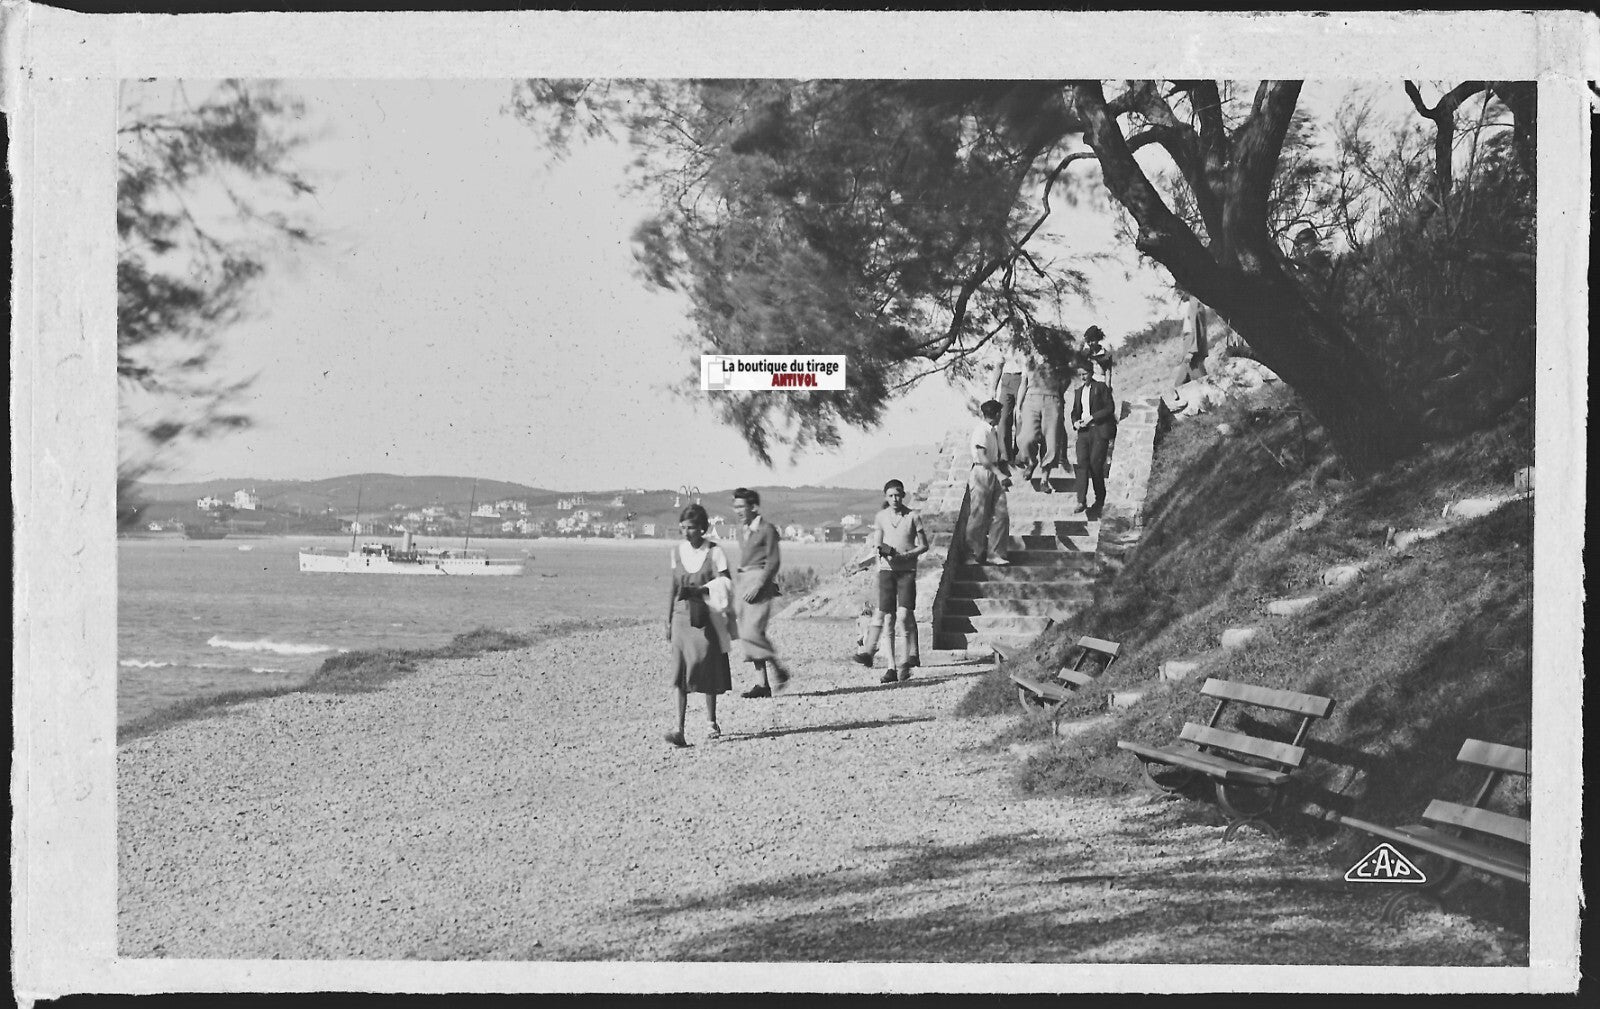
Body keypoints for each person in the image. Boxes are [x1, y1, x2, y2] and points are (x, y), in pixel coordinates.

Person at [663, 503, 733, 748]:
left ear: (702, 528)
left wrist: (702, 590)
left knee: (706, 666)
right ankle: (679, 728)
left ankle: (711, 722)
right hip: (682, 618)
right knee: (680, 672)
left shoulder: (715, 552)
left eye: (691, 528)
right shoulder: (676, 552)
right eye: (683, 527)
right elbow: (673, 587)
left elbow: (726, 582)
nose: (686, 532)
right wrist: (668, 618)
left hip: (706, 617)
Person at [855, 479, 931, 683]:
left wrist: (908, 555)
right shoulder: (881, 517)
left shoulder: (913, 516)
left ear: (903, 495)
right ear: (885, 497)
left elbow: (924, 545)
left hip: (907, 571)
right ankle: (891, 667)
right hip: (887, 571)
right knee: (888, 618)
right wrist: (885, 551)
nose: (894, 499)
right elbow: (878, 542)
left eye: (897, 495)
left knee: (905, 616)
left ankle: (906, 660)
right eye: (890, 496)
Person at [730, 487, 792, 698]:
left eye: (741, 506)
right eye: (735, 506)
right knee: (749, 633)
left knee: (752, 633)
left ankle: (778, 670)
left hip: (759, 584)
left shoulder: (767, 529)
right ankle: (763, 684)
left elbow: (773, 561)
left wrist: (759, 585)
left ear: (753, 507)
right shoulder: (742, 530)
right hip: (743, 582)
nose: (737, 510)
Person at [1014, 344, 1068, 491]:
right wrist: (1018, 406)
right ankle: (1032, 462)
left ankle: (1045, 479)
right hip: (1031, 399)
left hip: (1052, 398)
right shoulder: (1029, 360)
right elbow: (1023, 384)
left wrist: (1057, 395)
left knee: (1050, 441)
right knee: (1026, 438)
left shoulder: (1058, 361)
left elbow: (1066, 380)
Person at [965, 400, 1012, 566]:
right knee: (978, 515)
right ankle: (973, 553)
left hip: (994, 471)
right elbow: (983, 458)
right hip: (982, 473)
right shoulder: (981, 431)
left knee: (1001, 515)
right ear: (997, 414)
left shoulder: (993, 431)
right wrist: (999, 474)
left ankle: (996, 553)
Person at [1071, 356, 1118, 518]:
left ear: (1091, 373)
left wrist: (1092, 417)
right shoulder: (1078, 392)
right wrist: (1075, 422)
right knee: (1081, 463)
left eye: (1085, 374)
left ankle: (1100, 499)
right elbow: (1074, 412)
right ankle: (1081, 500)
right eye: (1080, 375)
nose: (1083, 377)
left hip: (1098, 431)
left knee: (1095, 466)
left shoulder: (1101, 387)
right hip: (1083, 433)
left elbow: (1109, 408)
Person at [989, 322, 1029, 467]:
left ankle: (1019, 455)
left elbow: (1026, 371)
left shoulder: (1025, 346)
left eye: (1016, 329)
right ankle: (1004, 455)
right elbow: (998, 366)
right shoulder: (1005, 345)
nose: (1013, 332)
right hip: (1006, 379)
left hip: (1020, 379)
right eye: (1011, 329)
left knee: (1019, 417)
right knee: (1003, 417)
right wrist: (993, 388)